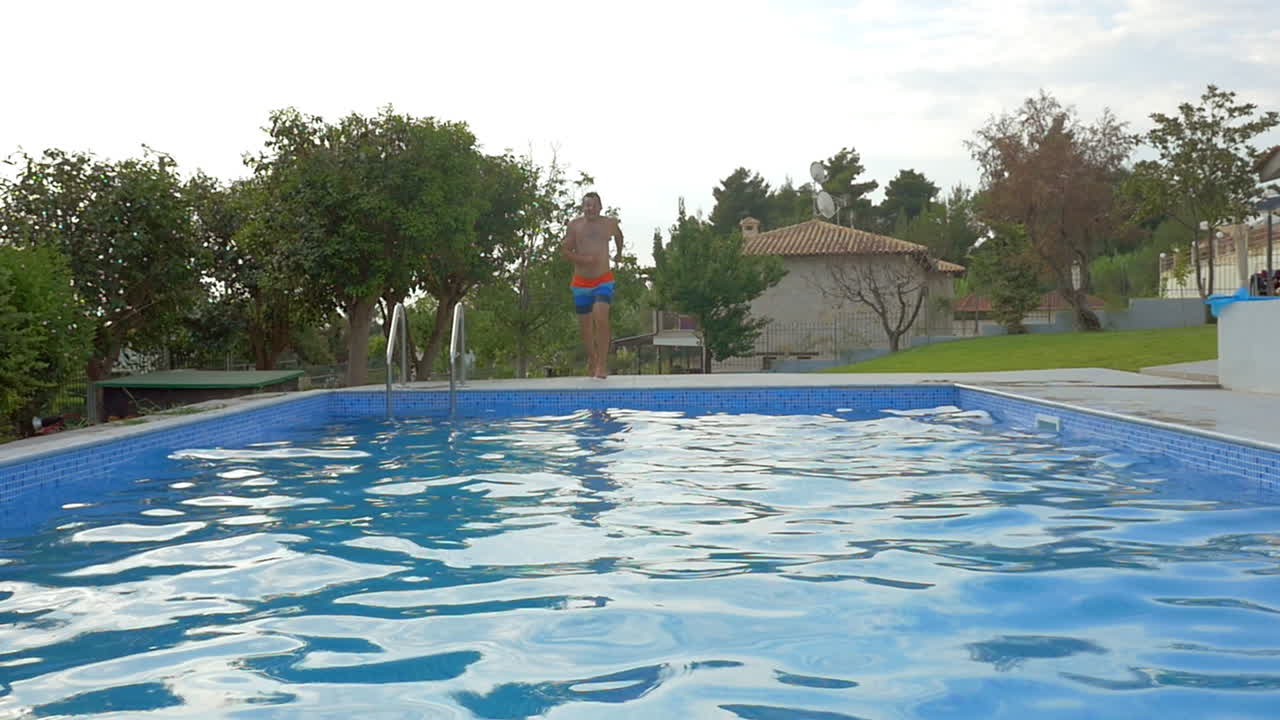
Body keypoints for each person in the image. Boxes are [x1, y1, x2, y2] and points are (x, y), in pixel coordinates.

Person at [561, 191, 624, 378]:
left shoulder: (609, 224)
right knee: (585, 327)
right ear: (583, 207)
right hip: (581, 281)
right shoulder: (575, 226)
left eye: (594, 205)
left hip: (603, 278)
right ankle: (592, 358)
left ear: (600, 207)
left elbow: (619, 236)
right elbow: (565, 249)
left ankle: (602, 365)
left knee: (601, 316)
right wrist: (583, 259)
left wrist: (619, 253)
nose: (591, 208)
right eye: (587, 205)